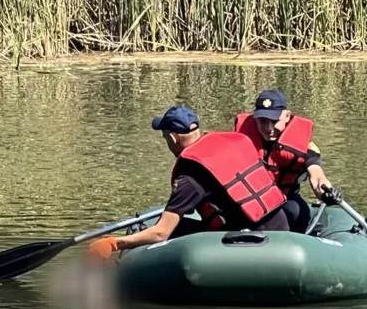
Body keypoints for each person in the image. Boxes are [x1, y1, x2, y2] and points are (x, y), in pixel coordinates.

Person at [88, 105, 290, 260]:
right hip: (281, 229)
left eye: (165, 137)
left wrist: (115, 243)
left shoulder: (191, 177)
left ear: (173, 138)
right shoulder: (232, 143)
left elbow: (161, 233)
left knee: (169, 229)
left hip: (247, 243)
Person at [234, 89, 342, 233]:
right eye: (263, 121)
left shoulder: (304, 145)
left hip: (284, 197)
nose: (269, 128)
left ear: (287, 116)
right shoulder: (241, 140)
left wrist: (327, 192)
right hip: (250, 198)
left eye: (274, 121)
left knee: (297, 213)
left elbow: (316, 176)